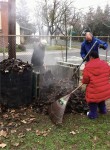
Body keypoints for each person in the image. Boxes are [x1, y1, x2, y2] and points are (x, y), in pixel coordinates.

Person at [82, 51, 110, 119]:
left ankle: (93, 115)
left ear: (91, 57)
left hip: (95, 89)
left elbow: (86, 80)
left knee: (93, 100)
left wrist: (84, 82)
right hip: (104, 88)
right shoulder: (105, 63)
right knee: (101, 98)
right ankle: (103, 111)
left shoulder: (88, 66)